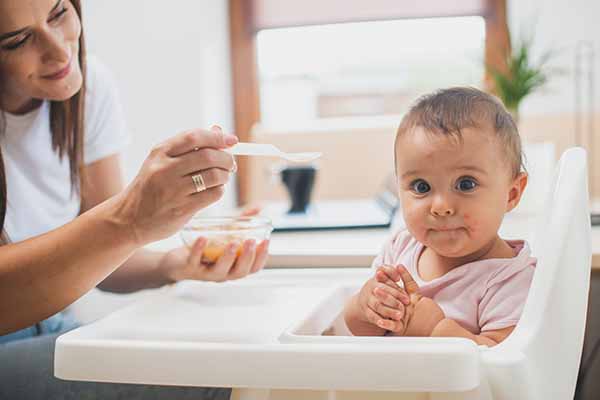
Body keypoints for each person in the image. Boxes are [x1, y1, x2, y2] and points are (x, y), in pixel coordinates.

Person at [0, 0, 268, 398]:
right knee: (206, 375)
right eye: (19, 40)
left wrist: (175, 263)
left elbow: (102, 262)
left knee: (233, 349)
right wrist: (131, 218)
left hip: (54, 325)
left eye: (59, 13)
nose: (59, 51)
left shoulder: (88, 89)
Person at [343, 87, 536, 346]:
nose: (441, 206)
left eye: (466, 184)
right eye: (421, 187)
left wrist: (435, 330)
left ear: (511, 194)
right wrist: (365, 306)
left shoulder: (510, 280)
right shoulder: (400, 249)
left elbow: (502, 370)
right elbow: (363, 330)